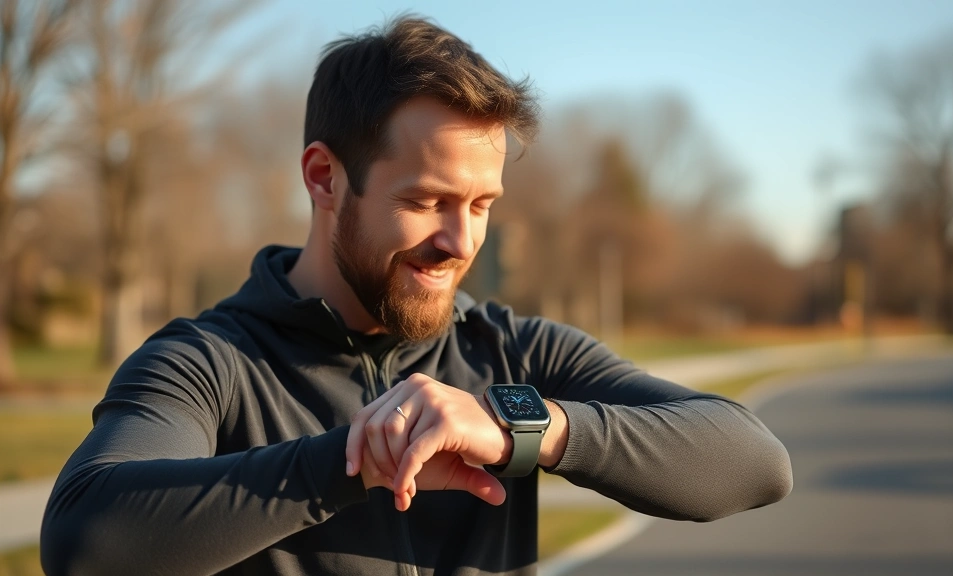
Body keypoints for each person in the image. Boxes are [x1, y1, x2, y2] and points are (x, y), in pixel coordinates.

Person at [40, 16, 792, 576]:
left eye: (481, 204)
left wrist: (517, 425)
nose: (462, 242)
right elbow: (84, 538)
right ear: (324, 178)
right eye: (428, 199)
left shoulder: (516, 353)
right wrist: (353, 460)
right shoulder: (207, 364)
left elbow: (753, 460)